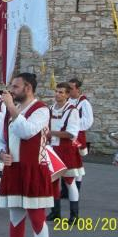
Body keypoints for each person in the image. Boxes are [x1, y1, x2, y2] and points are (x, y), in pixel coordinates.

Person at [0, 73, 52, 237]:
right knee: (15, 217)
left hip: (34, 170)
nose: (11, 90)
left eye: (15, 87)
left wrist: (10, 107)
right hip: (14, 170)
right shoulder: (12, 111)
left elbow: (27, 132)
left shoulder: (41, 110)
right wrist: (1, 154)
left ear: (27, 88)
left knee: (37, 219)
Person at [46, 82, 83, 222]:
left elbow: (71, 133)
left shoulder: (72, 110)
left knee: (69, 181)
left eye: (61, 92)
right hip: (52, 149)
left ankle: (74, 215)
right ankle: (55, 212)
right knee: (52, 182)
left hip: (66, 150)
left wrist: (51, 133)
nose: (58, 94)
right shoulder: (50, 109)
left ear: (67, 95)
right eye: (56, 91)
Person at [67, 78, 93, 196]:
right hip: (66, 135)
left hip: (77, 136)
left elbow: (88, 121)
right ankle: (66, 189)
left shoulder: (84, 103)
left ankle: (76, 188)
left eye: (71, 88)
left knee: (77, 162)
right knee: (66, 161)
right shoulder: (67, 101)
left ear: (78, 89)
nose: (68, 91)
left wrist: (73, 124)